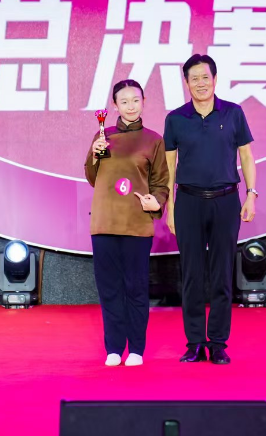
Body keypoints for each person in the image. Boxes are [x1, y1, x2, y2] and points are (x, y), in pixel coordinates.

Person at [163, 54, 257, 365]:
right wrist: (170, 207)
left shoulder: (233, 113)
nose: (200, 83)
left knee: (221, 274)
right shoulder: (176, 119)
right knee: (191, 274)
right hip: (188, 202)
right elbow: (170, 167)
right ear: (186, 83)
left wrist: (251, 195)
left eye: (205, 77)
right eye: (194, 79)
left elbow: (246, 157)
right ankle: (194, 343)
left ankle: (217, 343)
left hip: (226, 201)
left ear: (215, 79)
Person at [85, 79, 169, 367]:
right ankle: (113, 347)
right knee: (109, 288)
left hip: (136, 224)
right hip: (104, 222)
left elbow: (161, 182)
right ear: (115, 105)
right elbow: (93, 178)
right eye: (124, 101)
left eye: (135, 100)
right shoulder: (103, 136)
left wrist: (157, 201)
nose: (130, 106)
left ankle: (136, 348)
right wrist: (94, 155)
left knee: (136, 288)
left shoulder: (153, 140)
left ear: (144, 102)